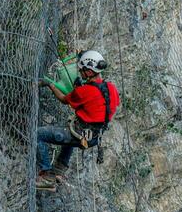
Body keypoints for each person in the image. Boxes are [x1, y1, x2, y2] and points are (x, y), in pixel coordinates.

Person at [36, 49, 120, 192]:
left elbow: (64, 99)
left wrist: (51, 85)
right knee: (68, 139)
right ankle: (59, 171)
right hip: (94, 137)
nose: (79, 72)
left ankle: (47, 176)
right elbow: (105, 106)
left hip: (79, 134)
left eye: (81, 70)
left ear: (88, 72)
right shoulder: (111, 88)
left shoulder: (84, 91)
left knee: (38, 134)